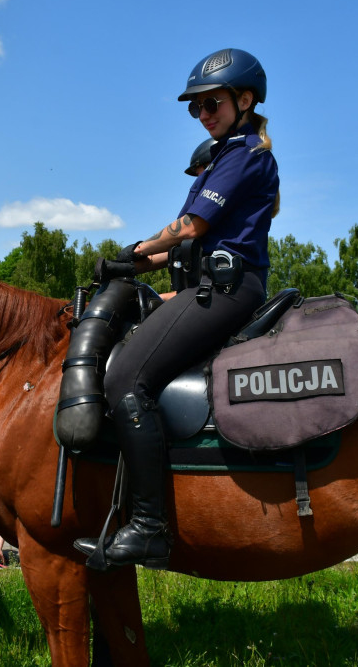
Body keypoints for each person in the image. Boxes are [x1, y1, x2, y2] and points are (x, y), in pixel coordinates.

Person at [75, 48, 280, 570]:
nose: (203, 113)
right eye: (195, 107)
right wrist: (130, 264)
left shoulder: (245, 154)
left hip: (227, 289)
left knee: (126, 379)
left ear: (245, 99)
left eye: (212, 103)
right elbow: (184, 244)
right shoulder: (224, 154)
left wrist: (136, 250)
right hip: (209, 282)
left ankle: (150, 527)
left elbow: (191, 226)